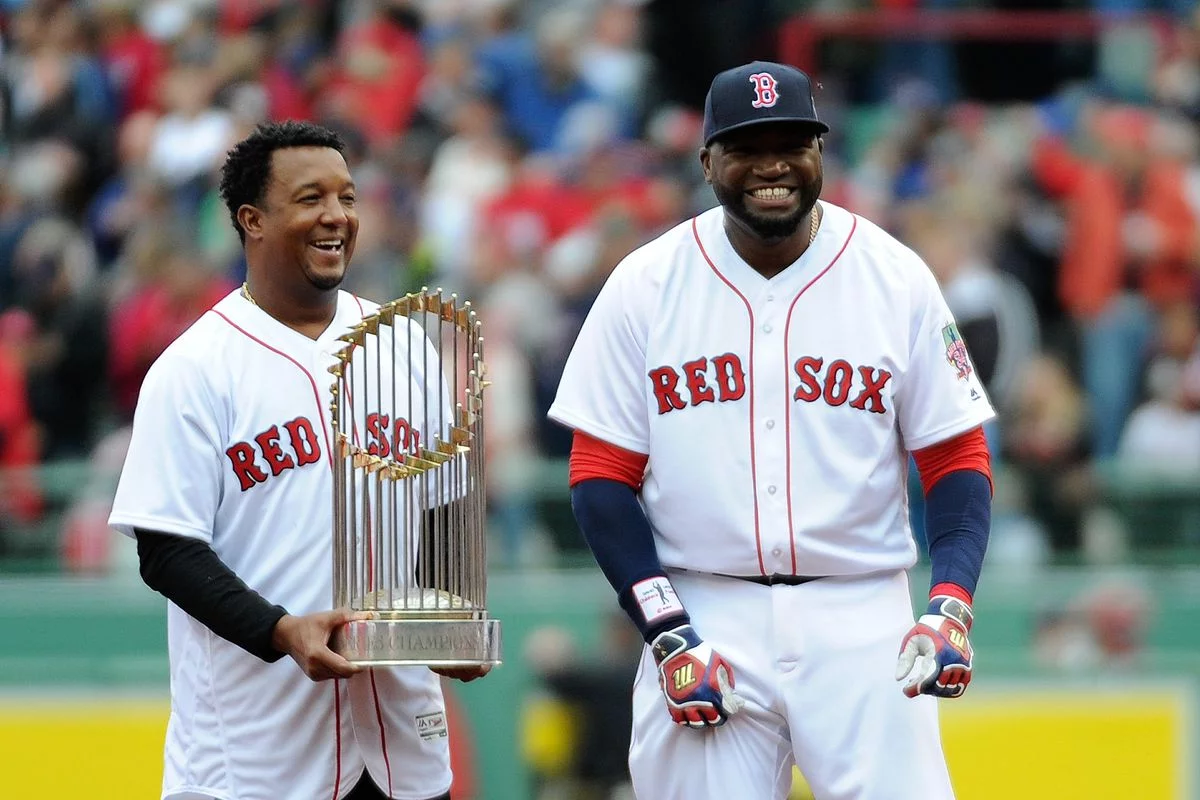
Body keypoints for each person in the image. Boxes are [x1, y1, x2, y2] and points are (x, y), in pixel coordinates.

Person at [548, 62, 994, 798]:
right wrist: (666, 628)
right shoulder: (646, 283)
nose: (773, 165)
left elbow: (955, 457)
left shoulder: (894, 276)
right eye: (748, 146)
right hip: (704, 606)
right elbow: (599, 476)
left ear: (822, 151)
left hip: (862, 614)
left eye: (794, 141)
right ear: (708, 161)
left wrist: (950, 603)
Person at [108, 120, 488, 800]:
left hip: (402, 743)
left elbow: (444, 512)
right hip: (259, 753)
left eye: (347, 196)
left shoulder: (403, 345)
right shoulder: (195, 369)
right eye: (311, 198)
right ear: (252, 219)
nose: (337, 216)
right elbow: (166, 551)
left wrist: (448, 622)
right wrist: (280, 630)